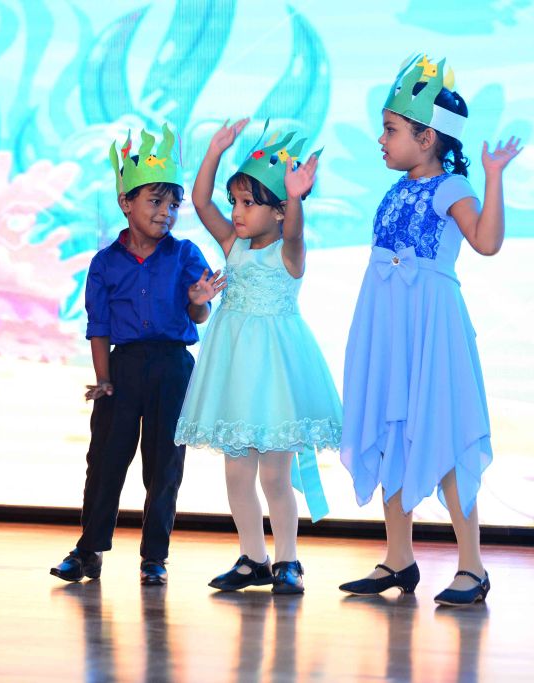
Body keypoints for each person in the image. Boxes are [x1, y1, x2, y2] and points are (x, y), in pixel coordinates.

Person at [338, 55, 522, 605]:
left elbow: (486, 242)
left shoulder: (451, 186)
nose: (381, 140)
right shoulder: (394, 191)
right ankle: (398, 558)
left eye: (391, 130)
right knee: (392, 429)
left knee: (443, 430)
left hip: (431, 329)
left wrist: (492, 177)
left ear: (427, 138)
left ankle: (472, 567)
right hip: (389, 324)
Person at [50, 125, 225, 586]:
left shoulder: (185, 254)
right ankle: (88, 550)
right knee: (105, 462)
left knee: (164, 465)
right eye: (155, 201)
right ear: (125, 202)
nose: (166, 213)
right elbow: (99, 327)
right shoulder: (105, 263)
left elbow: (199, 314)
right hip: (123, 368)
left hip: (173, 367)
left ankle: (154, 558)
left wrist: (199, 301)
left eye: (173, 205)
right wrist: (104, 379)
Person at [175, 120, 342, 594]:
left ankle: (288, 559)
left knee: (275, 475)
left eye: (248, 203)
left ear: (279, 210)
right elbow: (201, 202)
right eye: (236, 202)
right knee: (236, 474)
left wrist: (296, 199)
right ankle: (253, 557)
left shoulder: (289, 252)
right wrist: (213, 151)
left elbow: (295, 235)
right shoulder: (234, 245)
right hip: (235, 375)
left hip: (276, 380)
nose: (237, 212)